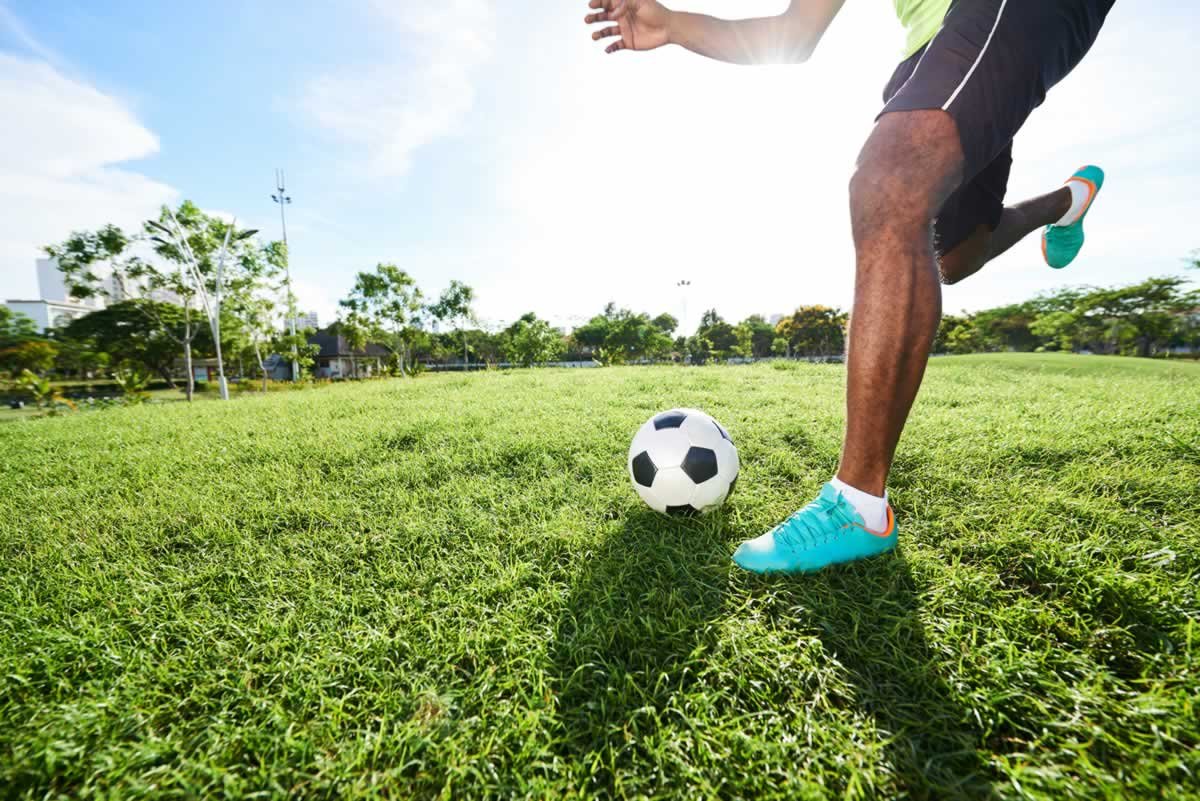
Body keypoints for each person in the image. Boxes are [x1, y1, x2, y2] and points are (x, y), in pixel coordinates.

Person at [585, 0, 1113, 573]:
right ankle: (1068, 202)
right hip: (931, 45)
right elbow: (793, 33)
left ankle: (859, 505)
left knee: (889, 181)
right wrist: (675, 26)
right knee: (955, 255)